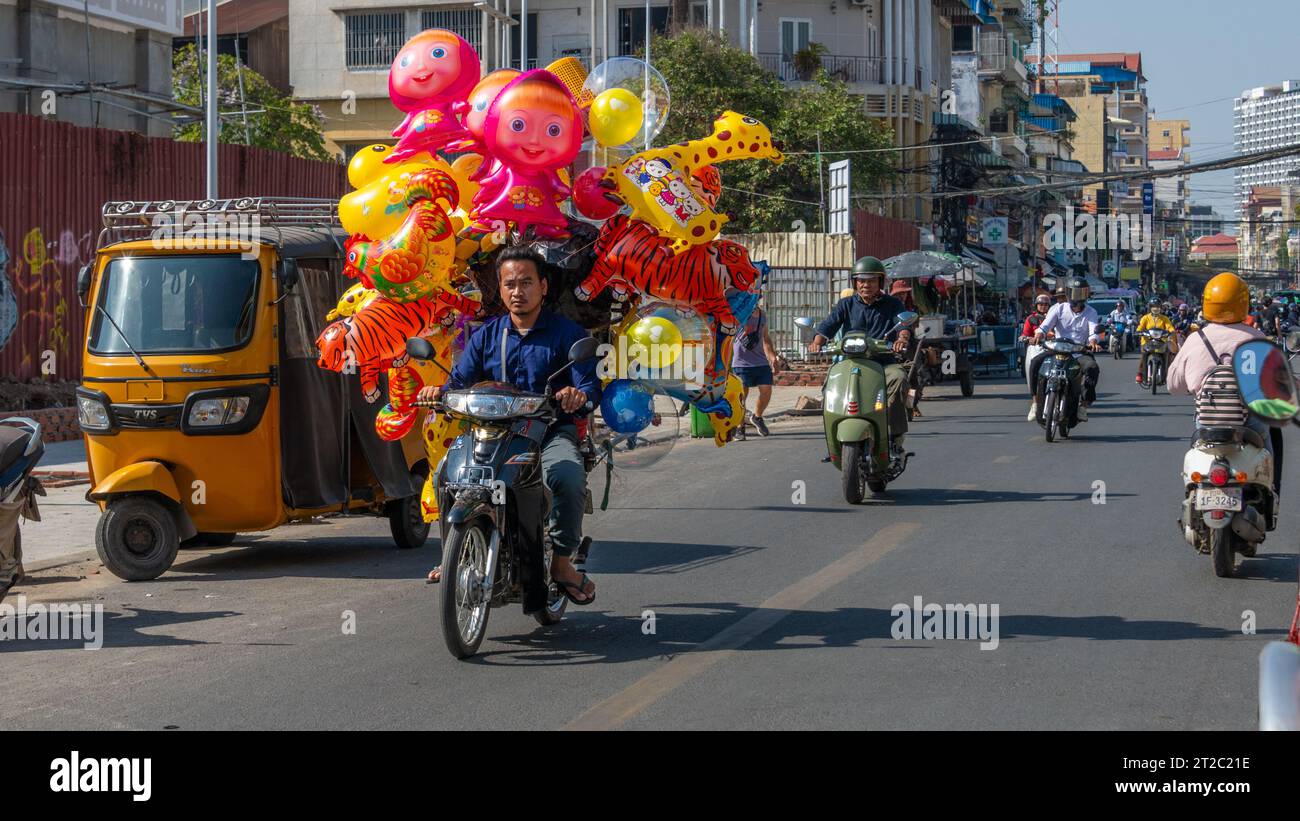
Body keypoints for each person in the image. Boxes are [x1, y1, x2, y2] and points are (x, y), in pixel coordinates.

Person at [416, 245, 600, 604]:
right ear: (500, 289)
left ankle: (562, 564)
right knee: (443, 474)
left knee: (566, 476)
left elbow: (589, 387)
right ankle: (452, 554)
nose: (519, 291)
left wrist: (576, 396)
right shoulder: (487, 335)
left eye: (527, 283)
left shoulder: (569, 334)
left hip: (547, 432)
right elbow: (458, 382)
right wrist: (436, 391)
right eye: (510, 284)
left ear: (543, 287)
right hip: (491, 432)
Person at [1168, 272, 1283, 492]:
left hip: (1208, 423)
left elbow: (1174, 386)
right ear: (1243, 303)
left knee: (1196, 456)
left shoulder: (1196, 339)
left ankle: (1193, 491)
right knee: (1270, 437)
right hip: (1249, 422)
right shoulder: (1256, 338)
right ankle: (1271, 490)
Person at [809, 256, 912, 449]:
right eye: (861, 280)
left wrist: (901, 339)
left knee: (899, 378)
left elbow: (903, 325)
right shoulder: (845, 304)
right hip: (851, 362)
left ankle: (895, 434)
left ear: (880, 282)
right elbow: (828, 326)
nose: (866, 285)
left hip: (883, 362)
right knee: (828, 385)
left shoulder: (892, 304)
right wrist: (816, 342)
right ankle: (833, 440)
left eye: (872, 280)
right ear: (855, 282)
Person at [1031, 276, 1101, 421]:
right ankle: (1035, 402)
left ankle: (1084, 405)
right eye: (1075, 293)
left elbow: (1093, 331)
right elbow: (1045, 326)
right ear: (1068, 294)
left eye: (1081, 293)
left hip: (1078, 351)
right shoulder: (1057, 308)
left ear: (1086, 294)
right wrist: (1038, 334)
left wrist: (1093, 341)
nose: (1077, 297)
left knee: (1092, 368)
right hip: (1057, 348)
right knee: (1035, 363)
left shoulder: (1091, 312)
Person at [732, 300, 785, 439]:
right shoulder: (738, 313)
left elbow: (765, 338)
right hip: (740, 362)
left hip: (760, 362)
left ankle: (757, 417)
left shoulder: (762, 315)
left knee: (766, 390)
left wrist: (773, 357)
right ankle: (739, 427)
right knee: (741, 396)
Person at [1022, 293, 1053, 420]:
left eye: (1046, 304)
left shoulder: (1054, 316)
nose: (1043, 307)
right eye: (1041, 304)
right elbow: (1025, 334)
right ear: (1036, 306)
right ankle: (1034, 403)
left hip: (1054, 348)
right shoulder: (1031, 319)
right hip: (1036, 348)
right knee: (1032, 367)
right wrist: (1027, 339)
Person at [1135, 300, 1178, 384]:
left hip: (1161, 341)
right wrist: (1139, 331)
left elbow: (1169, 327)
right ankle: (1140, 373)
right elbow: (1140, 327)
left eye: (1158, 306)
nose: (1156, 308)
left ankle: (1168, 374)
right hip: (1147, 341)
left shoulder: (1164, 318)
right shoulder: (1145, 318)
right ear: (1150, 307)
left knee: (1168, 354)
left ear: (1160, 308)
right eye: (1154, 306)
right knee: (1144, 354)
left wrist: (1172, 331)